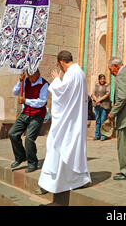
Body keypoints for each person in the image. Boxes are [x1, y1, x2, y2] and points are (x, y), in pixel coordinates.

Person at [38, 51, 91, 199]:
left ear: (61, 62)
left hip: (67, 120)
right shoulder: (80, 72)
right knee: (73, 149)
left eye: (59, 65)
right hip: (75, 118)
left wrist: (56, 80)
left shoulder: (71, 73)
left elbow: (62, 93)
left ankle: (52, 183)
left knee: (57, 146)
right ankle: (78, 179)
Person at [8, 69, 49, 173]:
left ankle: (32, 162)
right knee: (12, 133)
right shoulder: (25, 81)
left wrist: (26, 100)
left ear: (38, 74)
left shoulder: (44, 84)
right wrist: (20, 81)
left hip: (38, 115)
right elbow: (15, 92)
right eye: (29, 76)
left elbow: (42, 102)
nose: (30, 78)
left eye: (32, 76)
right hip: (25, 112)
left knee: (29, 139)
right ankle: (20, 157)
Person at [91, 74, 111, 140]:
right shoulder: (96, 85)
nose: (102, 80)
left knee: (103, 120)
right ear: (99, 79)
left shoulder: (107, 85)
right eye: (101, 79)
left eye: (103, 79)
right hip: (97, 105)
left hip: (104, 105)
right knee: (97, 120)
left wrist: (100, 99)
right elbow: (93, 94)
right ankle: (97, 135)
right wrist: (96, 100)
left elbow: (107, 94)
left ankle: (103, 135)